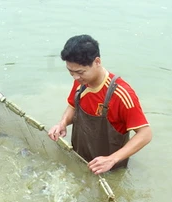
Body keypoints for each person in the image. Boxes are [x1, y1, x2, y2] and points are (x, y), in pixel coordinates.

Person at [47, 35, 152, 174]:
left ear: (97, 62)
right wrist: (63, 123)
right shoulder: (81, 83)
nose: (75, 77)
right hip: (80, 159)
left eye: (80, 72)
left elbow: (145, 134)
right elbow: (73, 106)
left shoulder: (122, 94)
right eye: (70, 72)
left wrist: (112, 159)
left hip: (109, 169)